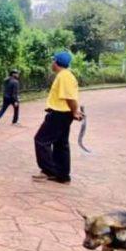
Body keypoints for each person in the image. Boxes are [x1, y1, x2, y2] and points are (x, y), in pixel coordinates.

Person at [33, 51, 82, 184]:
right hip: (63, 114)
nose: (51, 63)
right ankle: (62, 175)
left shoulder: (64, 76)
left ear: (56, 62)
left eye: (52, 61)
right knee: (61, 144)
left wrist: (75, 111)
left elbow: (69, 97)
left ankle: (49, 171)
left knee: (41, 140)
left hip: (59, 114)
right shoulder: (65, 75)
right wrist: (74, 111)